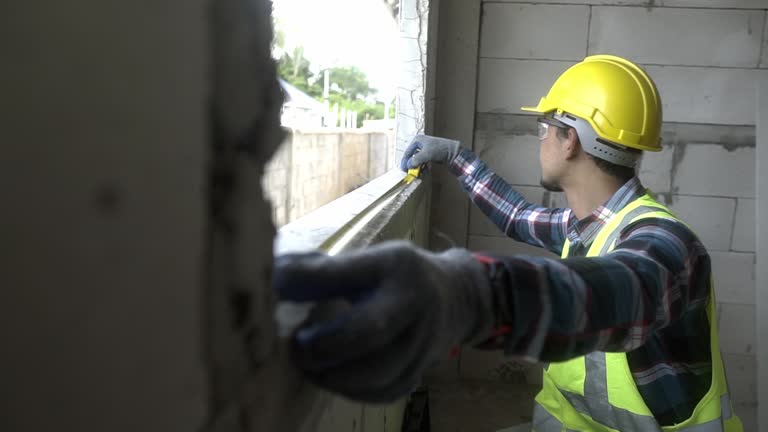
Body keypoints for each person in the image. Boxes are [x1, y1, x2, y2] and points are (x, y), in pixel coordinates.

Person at [273, 55, 742, 431]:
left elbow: (626, 292)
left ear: (570, 141)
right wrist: (459, 158)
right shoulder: (589, 227)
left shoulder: (666, 241)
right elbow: (519, 217)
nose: (540, 140)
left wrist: (469, 296)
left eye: (544, 129)